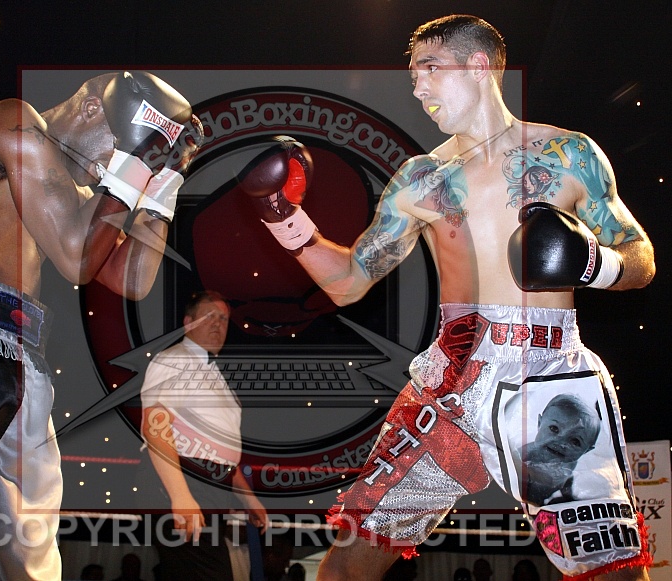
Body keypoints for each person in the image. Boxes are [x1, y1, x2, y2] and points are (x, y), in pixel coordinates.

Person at [238, 14, 654, 581]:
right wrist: (281, 214)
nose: (418, 88)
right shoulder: (421, 179)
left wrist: (593, 263)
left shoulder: (568, 154)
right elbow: (349, 280)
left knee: (612, 570)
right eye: (413, 76)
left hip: (549, 376)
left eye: (430, 68)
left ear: (479, 65)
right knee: (355, 553)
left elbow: (640, 258)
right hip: (453, 378)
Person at [0, 70, 202, 580]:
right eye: (119, 147)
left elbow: (131, 278)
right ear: (92, 108)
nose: (111, 169)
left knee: (23, 561)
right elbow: (77, 259)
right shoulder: (13, 122)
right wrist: (135, 162)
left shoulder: (69, 193)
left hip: (20, 363)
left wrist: (163, 185)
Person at [140, 290, 268, 581]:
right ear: (188, 323)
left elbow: (223, 453)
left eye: (223, 318)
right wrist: (180, 495)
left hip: (209, 487)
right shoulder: (175, 360)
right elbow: (154, 427)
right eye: (209, 316)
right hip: (182, 479)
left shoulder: (216, 377)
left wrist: (248, 499)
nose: (217, 324)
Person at [518, 393, 601, 505]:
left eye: (575, 441)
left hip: (544, 497)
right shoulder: (526, 454)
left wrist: (568, 495)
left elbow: (568, 478)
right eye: (554, 429)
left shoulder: (570, 464)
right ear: (539, 423)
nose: (560, 442)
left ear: (586, 450)